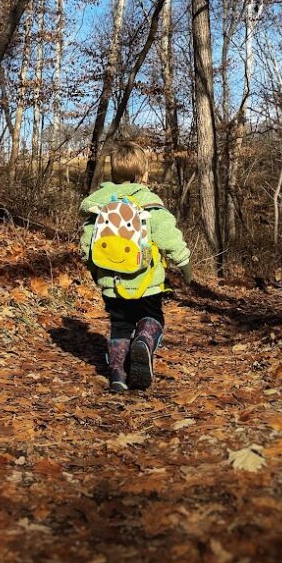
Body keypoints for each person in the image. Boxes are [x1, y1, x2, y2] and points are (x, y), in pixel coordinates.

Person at [79, 140, 192, 393]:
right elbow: (168, 236)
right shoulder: (149, 201)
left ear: (112, 172)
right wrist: (184, 263)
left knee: (120, 324)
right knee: (152, 317)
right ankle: (144, 339)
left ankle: (118, 374)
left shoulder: (100, 203)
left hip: (112, 284)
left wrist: (94, 270)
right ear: (143, 174)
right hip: (146, 282)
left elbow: (87, 242)